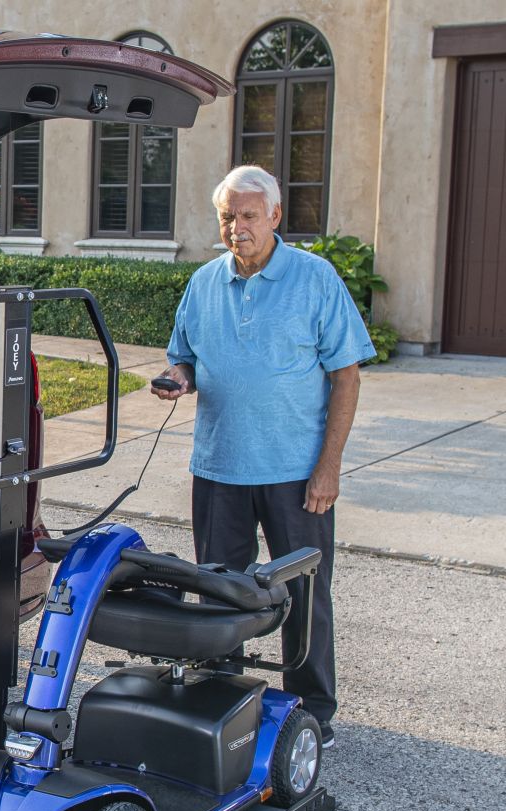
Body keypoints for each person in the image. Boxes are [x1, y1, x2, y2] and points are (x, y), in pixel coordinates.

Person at [152, 165, 376, 749]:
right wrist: (176, 378)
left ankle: (314, 711)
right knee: (220, 592)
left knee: (304, 592)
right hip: (220, 468)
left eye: (249, 215)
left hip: (296, 474)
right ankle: (219, 700)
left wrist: (329, 469)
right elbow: (186, 359)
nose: (237, 227)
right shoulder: (203, 283)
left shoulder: (315, 279)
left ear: (276, 216)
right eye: (228, 216)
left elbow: (346, 377)